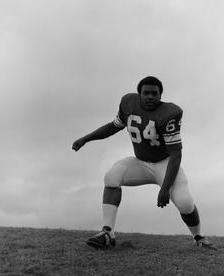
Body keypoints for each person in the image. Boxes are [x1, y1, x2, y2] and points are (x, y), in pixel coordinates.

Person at [72, 76, 216, 250]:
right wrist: (86, 139)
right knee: (112, 177)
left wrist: (164, 189)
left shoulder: (170, 113)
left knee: (185, 202)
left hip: (166, 164)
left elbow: (176, 154)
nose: (150, 97)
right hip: (140, 163)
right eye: (146, 93)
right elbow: (113, 126)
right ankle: (107, 232)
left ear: (160, 96)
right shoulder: (128, 103)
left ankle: (199, 237)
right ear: (139, 94)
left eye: (154, 93)